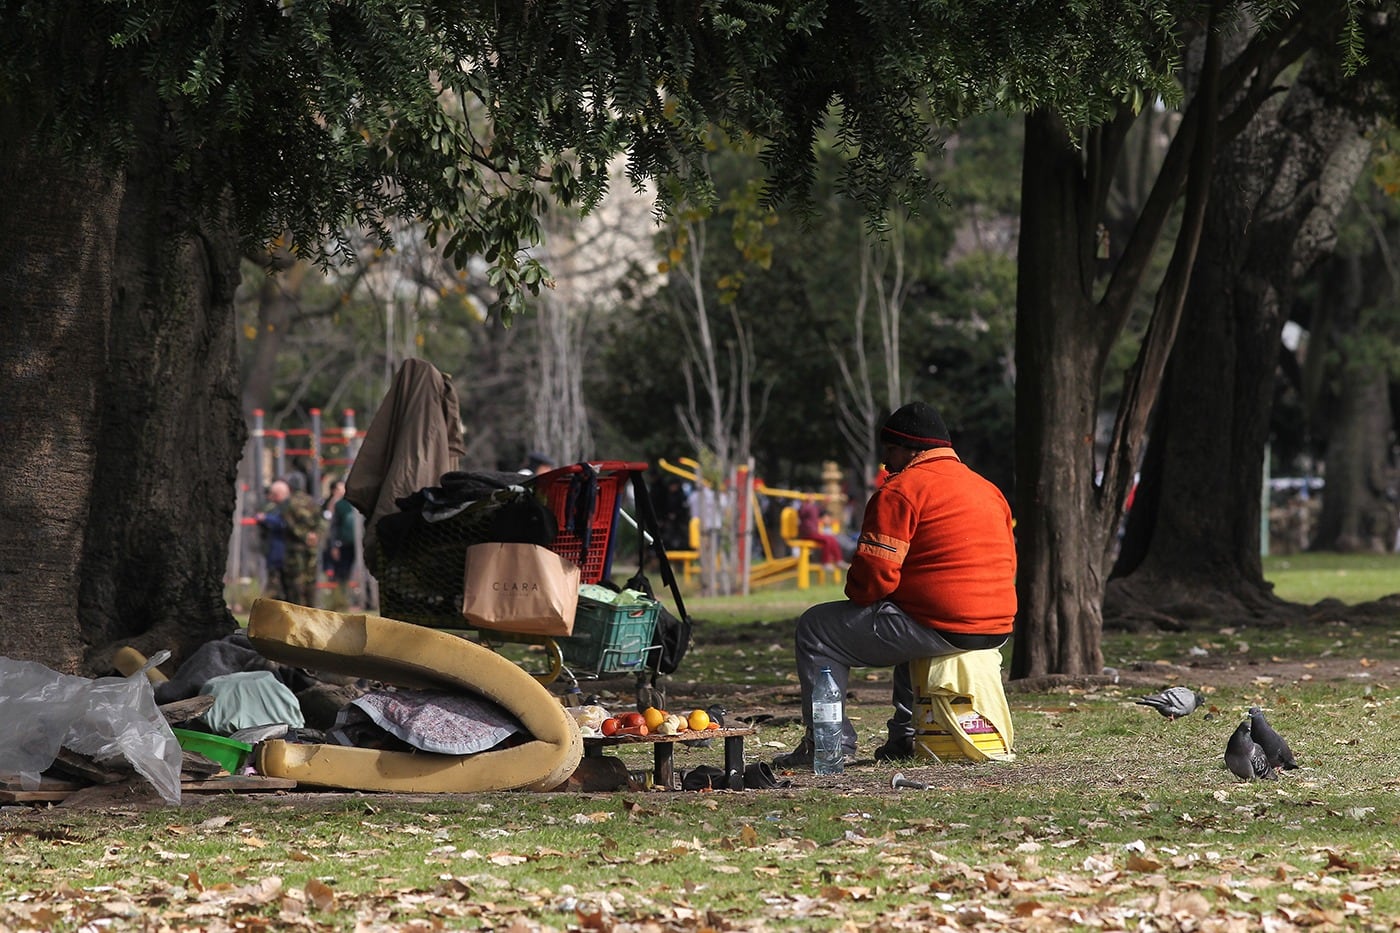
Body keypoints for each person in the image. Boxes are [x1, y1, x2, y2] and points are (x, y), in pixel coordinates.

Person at [772, 402, 1017, 767]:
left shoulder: (901, 491)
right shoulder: (987, 489)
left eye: (890, 450)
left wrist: (858, 593)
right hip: (996, 625)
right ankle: (905, 736)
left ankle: (828, 746)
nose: (885, 463)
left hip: (943, 622)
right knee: (907, 615)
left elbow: (872, 580)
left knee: (816, 628)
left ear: (912, 449)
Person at [257, 476, 322, 606]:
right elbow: (320, 521)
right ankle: (311, 612)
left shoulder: (288, 504)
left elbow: (287, 524)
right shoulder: (311, 502)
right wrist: (314, 536)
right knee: (309, 585)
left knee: (294, 587)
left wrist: (304, 536)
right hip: (308, 550)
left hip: (292, 552)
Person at [321, 477, 358, 609]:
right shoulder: (338, 505)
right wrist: (334, 545)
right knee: (342, 572)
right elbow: (334, 526)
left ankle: (355, 599)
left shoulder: (355, 503)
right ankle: (340, 599)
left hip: (358, 545)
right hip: (343, 544)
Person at [797, 496, 845, 570]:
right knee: (827, 540)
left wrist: (825, 503)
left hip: (813, 532)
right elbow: (801, 513)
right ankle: (826, 562)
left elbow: (820, 510)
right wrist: (807, 503)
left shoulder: (813, 508)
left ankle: (838, 560)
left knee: (831, 539)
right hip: (808, 533)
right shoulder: (805, 507)